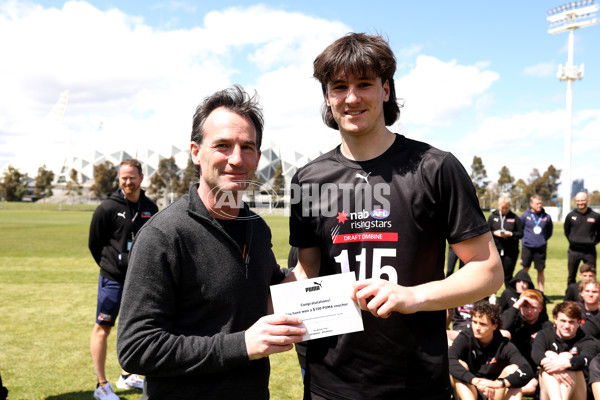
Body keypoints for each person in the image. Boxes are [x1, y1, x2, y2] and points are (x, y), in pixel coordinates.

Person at [286, 32, 503, 399]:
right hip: (330, 383)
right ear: (327, 97)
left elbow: (488, 269)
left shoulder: (436, 168)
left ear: (386, 90)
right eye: (339, 86)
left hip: (414, 380)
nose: (352, 97)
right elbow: (306, 271)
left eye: (364, 84)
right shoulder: (308, 179)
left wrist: (411, 297)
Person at [116, 85, 306, 399]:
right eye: (222, 145)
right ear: (196, 152)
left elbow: (265, 291)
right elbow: (137, 348)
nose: (236, 158)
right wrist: (241, 345)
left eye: (247, 147)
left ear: (258, 157)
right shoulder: (164, 235)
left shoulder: (257, 229)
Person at [88, 158, 158, 399]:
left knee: (137, 328)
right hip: (113, 280)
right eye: (123, 178)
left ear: (141, 178)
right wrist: (112, 267)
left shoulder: (150, 207)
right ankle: (101, 385)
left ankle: (128, 375)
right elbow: (94, 243)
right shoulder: (107, 207)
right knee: (103, 328)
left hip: (140, 281)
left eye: (132, 177)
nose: (128, 182)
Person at [449, 300, 533, 400]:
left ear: (494, 326)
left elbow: (526, 369)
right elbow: (449, 359)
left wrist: (499, 383)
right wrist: (474, 380)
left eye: (482, 324)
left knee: (513, 370)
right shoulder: (465, 337)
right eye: (474, 322)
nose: (477, 327)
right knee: (460, 365)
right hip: (470, 389)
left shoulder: (503, 344)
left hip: (495, 392)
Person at [531, 301, 597, 400]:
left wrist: (566, 364)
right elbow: (536, 353)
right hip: (548, 391)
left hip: (579, 392)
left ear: (579, 323)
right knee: (549, 356)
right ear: (555, 319)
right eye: (563, 321)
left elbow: (587, 358)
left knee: (566, 357)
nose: (566, 326)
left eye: (571, 322)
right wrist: (553, 366)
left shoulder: (586, 339)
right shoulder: (544, 334)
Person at [501, 289, 553, 396]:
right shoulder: (514, 320)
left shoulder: (546, 326)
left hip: (529, 370)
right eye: (525, 306)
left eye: (533, 307)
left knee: (531, 386)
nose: (529, 311)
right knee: (504, 333)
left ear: (540, 309)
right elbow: (503, 327)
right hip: (508, 366)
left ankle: (503, 389)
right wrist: (516, 305)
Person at [564, 191, 600, 286]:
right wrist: (573, 240)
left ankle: (592, 295)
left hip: (589, 251)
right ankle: (569, 297)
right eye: (578, 201)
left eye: (582, 200)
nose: (580, 203)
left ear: (588, 200)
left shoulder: (595, 216)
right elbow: (567, 231)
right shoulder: (571, 216)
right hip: (573, 251)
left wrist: (592, 242)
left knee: (591, 275)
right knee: (571, 275)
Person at [488, 195, 524, 288]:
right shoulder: (492, 217)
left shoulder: (515, 218)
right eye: (502, 207)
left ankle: (508, 295)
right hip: (495, 250)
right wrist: (494, 233)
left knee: (507, 274)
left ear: (510, 206)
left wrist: (510, 234)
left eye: (506, 208)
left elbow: (521, 234)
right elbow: (486, 232)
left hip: (510, 251)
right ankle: (492, 295)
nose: (504, 209)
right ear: (499, 206)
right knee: (493, 274)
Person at [520, 195, 553, 293]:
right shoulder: (525, 216)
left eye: (540, 203)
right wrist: (527, 240)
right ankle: (524, 291)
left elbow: (549, 232)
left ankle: (541, 292)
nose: (539, 205)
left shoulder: (546, 217)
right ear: (531, 204)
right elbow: (520, 230)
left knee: (540, 270)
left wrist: (541, 240)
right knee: (525, 270)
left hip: (540, 248)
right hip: (527, 247)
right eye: (537, 203)